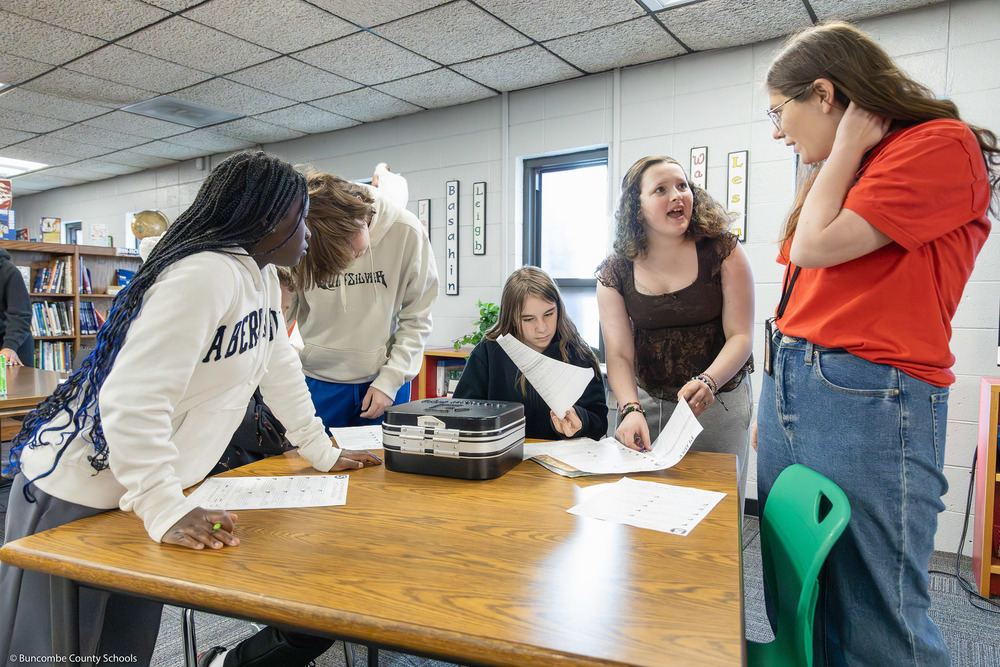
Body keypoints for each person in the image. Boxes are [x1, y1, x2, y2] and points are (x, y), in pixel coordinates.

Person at [0, 150, 380, 664]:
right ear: (268, 221)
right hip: (79, 493)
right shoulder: (205, 275)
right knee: (50, 655)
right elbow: (133, 399)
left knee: (121, 653)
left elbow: (278, 370)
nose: (307, 232)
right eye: (299, 218)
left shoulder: (261, 279)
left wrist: (320, 448)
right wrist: (164, 506)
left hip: (144, 495)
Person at [756, 22, 998, 666]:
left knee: (874, 614)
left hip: (866, 389)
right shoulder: (847, 169)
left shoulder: (940, 145)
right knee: (799, 597)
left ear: (826, 94)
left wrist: (840, 155)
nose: (778, 131)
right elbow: (800, 278)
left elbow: (814, 247)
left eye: (780, 112)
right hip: (797, 378)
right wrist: (777, 401)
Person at [596, 156, 755, 505]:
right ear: (636, 207)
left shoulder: (723, 251)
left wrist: (709, 381)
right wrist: (629, 408)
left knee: (716, 510)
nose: (677, 195)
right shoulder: (616, 271)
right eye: (661, 190)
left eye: (683, 186)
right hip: (648, 402)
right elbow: (619, 353)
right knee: (647, 510)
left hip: (718, 400)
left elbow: (741, 336)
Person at [285, 168, 438, 429]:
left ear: (359, 210)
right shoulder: (300, 231)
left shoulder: (407, 231)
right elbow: (279, 311)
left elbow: (417, 317)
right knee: (314, 463)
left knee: (385, 467)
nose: (346, 258)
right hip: (317, 379)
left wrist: (391, 380)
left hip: (385, 379)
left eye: (347, 243)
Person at [453, 266, 608, 440]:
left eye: (549, 314)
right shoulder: (488, 353)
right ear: (511, 317)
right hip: (503, 458)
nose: (542, 328)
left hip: (562, 461)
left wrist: (581, 421)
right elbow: (460, 413)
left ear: (559, 308)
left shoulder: (580, 354)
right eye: (528, 319)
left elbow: (600, 422)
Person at [0, 248, 33, 368]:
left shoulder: (9, 272)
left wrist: (10, 346)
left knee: (16, 386)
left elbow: (20, 314)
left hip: (11, 348)